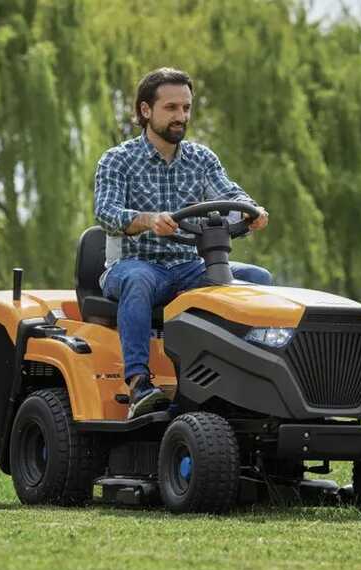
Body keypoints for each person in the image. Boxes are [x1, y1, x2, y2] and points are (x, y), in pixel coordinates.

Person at [94, 67, 271, 418]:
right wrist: (146, 220)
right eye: (172, 108)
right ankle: (139, 386)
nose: (181, 117)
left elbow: (230, 194)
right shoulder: (117, 160)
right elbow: (105, 212)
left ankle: (249, 381)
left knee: (259, 281)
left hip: (189, 267)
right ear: (146, 111)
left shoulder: (202, 159)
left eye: (186, 108)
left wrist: (252, 210)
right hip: (135, 265)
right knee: (138, 281)